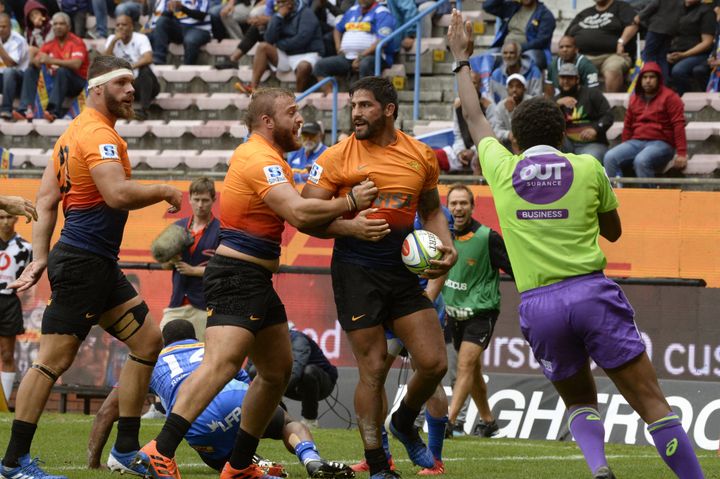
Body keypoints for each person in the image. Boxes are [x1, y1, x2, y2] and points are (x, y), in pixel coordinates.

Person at [448, 9, 705, 479]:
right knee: (652, 402)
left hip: (538, 306)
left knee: (579, 400)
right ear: (564, 133)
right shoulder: (588, 169)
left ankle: (600, 469)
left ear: (516, 138)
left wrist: (462, 58)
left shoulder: (502, 169)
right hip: (589, 292)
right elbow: (613, 232)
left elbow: (474, 115)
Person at [135, 87, 379, 479]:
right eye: (292, 112)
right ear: (268, 120)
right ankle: (160, 450)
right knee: (221, 364)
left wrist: (351, 226)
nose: (300, 119)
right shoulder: (258, 157)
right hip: (238, 277)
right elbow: (300, 212)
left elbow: (304, 217)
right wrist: (351, 204)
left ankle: (238, 465)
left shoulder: (269, 159)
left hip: (255, 279)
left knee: (276, 371)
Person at [0, 55, 183, 479]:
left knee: (148, 341)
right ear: (97, 88)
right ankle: (13, 462)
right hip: (84, 263)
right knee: (51, 362)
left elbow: (46, 201)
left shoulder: (69, 136)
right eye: (122, 83)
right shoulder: (97, 133)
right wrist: (163, 190)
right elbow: (116, 194)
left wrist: (42, 256)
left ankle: (125, 449)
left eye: (132, 83)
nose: (131, 91)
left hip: (93, 262)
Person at [301, 76, 457, 479]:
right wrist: (351, 223)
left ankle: (403, 421)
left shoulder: (421, 155)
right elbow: (306, 217)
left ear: (388, 110)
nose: (356, 113)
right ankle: (376, 465)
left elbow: (432, 210)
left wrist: (446, 244)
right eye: (353, 105)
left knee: (434, 362)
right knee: (372, 369)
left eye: (365, 106)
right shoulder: (336, 157)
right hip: (356, 269)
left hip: (402, 267)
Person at [88, 319, 354, 478]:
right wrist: (276, 410)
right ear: (193, 336)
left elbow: (108, 410)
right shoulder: (209, 347)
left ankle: (258, 468)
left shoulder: (149, 360)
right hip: (235, 399)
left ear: (163, 342)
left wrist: (93, 461)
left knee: (226, 460)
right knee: (287, 424)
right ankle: (310, 458)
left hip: (196, 423)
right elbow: (250, 385)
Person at [434, 183, 513, 439]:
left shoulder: (487, 237)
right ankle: (489, 422)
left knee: (466, 365)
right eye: (453, 203)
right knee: (474, 371)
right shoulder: (438, 236)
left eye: (463, 203)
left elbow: (514, 269)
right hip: (451, 315)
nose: (458, 208)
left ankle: (450, 421)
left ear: (472, 206)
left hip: (481, 312)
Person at [159, 176, 219, 342]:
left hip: (204, 306)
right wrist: (171, 260)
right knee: (158, 349)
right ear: (190, 199)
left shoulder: (221, 231)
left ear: (214, 199)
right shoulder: (178, 226)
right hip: (177, 302)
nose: (200, 205)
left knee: (200, 357)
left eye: (205, 200)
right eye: (197, 199)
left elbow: (225, 270)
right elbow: (165, 265)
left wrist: (194, 271)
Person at [603, 61, 687, 180]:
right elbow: (628, 126)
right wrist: (625, 146)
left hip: (662, 143)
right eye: (645, 77)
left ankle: (648, 197)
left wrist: (681, 153)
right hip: (636, 142)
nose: (648, 80)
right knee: (610, 157)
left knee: (641, 160)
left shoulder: (670, 97)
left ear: (658, 79)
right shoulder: (634, 98)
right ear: (640, 80)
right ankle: (615, 195)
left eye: (652, 77)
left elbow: (678, 125)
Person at [247, 324, 339, 428]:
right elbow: (247, 373)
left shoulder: (298, 341)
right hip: (289, 382)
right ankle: (279, 418)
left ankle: (310, 421)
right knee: (255, 371)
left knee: (308, 372)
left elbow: (295, 372)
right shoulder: (261, 342)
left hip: (321, 384)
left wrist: (273, 390)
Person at [234, 0, 325, 94]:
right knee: (263, 47)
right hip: (288, 54)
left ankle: (298, 97)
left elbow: (301, 40)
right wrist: (278, 17)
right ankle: (253, 89)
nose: (279, 6)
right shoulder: (279, 15)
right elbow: (269, 39)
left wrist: (279, 44)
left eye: (282, 2)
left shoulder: (307, 13)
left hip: (307, 54)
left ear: (290, 3)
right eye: (277, 3)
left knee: (303, 67)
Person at [14, 12, 89, 122]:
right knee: (31, 71)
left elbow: (76, 64)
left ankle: (53, 111)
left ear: (69, 27)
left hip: (77, 82)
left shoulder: (77, 42)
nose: (58, 27)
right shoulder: (49, 44)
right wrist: (35, 60)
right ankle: (24, 109)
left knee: (62, 71)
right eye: (55, 24)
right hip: (56, 81)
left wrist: (50, 60)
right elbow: (38, 60)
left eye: (61, 24)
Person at [312, 0, 397, 95]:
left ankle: (364, 99)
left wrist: (361, 56)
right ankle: (332, 99)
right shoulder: (353, 10)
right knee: (320, 66)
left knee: (365, 64)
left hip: (374, 57)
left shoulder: (382, 12)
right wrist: (338, 48)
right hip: (348, 57)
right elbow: (337, 29)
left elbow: (382, 41)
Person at [565, 0, 639, 93]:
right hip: (583, 56)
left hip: (612, 56)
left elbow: (633, 25)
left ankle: (611, 106)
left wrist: (621, 42)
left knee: (613, 69)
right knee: (566, 69)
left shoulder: (621, 7)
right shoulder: (584, 13)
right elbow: (567, 36)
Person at [0, 211, 31, 405]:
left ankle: (2, 404)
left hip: (9, 302)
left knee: (7, 354)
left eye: (8, 217)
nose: (4, 222)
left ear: (16, 219)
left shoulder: (26, 247)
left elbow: (30, 275)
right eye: (0, 217)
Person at [104, 14, 160, 120]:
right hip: (126, 86)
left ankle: (144, 111)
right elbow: (104, 61)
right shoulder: (112, 39)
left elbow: (148, 58)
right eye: (118, 25)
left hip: (147, 86)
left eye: (124, 24)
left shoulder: (141, 38)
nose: (120, 27)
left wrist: (128, 67)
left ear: (131, 27)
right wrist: (113, 42)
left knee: (145, 70)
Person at [555, 63, 613, 162]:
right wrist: (557, 104)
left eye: (569, 78)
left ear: (577, 79)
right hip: (567, 144)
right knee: (551, 155)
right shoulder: (557, 100)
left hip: (592, 143)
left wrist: (596, 129)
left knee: (589, 160)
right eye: (562, 78)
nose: (565, 81)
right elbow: (543, 118)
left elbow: (608, 116)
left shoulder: (592, 94)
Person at [482, 0, 556, 70]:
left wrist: (519, 48)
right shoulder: (512, 7)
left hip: (529, 50)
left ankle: (530, 82)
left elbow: (541, 40)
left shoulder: (545, 14)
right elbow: (488, 6)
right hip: (505, 48)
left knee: (532, 60)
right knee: (487, 57)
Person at [666, 0, 715, 95]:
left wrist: (684, 55)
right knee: (654, 65)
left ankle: (685, 98)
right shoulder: (675, 9)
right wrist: (665, 54)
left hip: (698, 54)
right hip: (673, 51)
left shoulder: (706, 12)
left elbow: (707, 42)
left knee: (678, 71)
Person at [150, 0, 212, 65]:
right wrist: (170, 10)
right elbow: (166, 16)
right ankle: (159, 59)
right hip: (180, 28)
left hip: (199, 29)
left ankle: (187, 69)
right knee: (161, 22)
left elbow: (201, 15)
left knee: (190, 40)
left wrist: (182, 8)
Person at [490, 73, 532, 150]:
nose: (514, 90)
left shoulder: (532, 103)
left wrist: (512, 112)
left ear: (524, 89)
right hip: (508, 147)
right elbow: (496, 131)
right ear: (507, 89)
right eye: (511, 86)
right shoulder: (500, 106)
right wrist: (508, 134)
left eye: (518, 86)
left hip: (529, 144)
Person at [0, 13, 29, 120]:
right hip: (2, 78)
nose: (1, 29)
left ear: (10, 27)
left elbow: (10, 64)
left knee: (9, 72)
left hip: (19, 79)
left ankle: (6, 110)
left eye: (4, 26)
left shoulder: (18, 40)